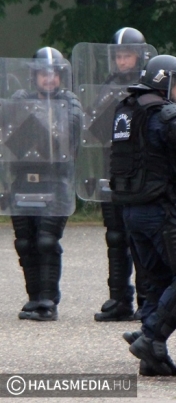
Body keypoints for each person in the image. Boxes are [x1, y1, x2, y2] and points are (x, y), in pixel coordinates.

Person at [109, 54, 176, 376]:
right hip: (157, 210)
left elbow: (147, 155)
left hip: (129, 211)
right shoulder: (165, 112)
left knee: (157, 281)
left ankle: (152, 359)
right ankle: (151, 337)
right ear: (165, 83)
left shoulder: (127, 109)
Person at [11, 47, 82, 321]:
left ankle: (48, 301)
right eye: (43, 74)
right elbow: (8, 135)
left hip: (55, 182)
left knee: (46, 241)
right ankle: (34, 298)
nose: (49, 78)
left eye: (53, 73)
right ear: (34, 76)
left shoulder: (70, 103)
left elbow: (68, 137)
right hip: (22, 180)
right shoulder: (21, 100)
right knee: (25, 242)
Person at [91, 27, 152, 322]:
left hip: (140, 170)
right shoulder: (106, 86)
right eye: (118, 56)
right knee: (115, 237)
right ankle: (118, 298)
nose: (122, 61)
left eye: (127, 55)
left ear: (139, 57)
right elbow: (94, 127)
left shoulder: (149, 86)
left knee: (139, 236)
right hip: (112, 166)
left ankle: (146, 299)